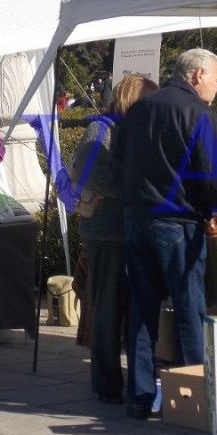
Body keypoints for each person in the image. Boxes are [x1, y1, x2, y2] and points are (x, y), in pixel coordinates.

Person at [111, 48, 217, 419]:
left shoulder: (139, 110)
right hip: (177, 222)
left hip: (138, 218)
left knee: (142, 309)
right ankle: (196, 397)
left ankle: (139, 396)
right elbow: (214, 178)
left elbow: (118, 162)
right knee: (188, 311)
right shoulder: (198, 114)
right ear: (198, 74)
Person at [69, 74, 158, 404]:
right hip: (107, 232)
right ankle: (106, 383)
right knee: (107, 309)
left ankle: (133, 379)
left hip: (127, 229)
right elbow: (91, 174)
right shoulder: (101, 129)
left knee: (129, 307)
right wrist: (138, 190)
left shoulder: (127, 129)